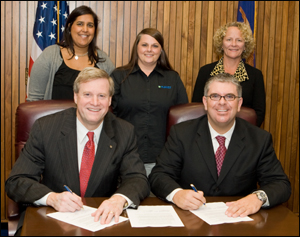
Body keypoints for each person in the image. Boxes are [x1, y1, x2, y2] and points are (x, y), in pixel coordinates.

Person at [6, 67, 150, 234]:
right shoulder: (45, 128)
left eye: (102, 96)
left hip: (100, 223)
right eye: (87, 94)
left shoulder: (124, 132)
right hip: (51, 220)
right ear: (75, 97)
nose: (95, 102)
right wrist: (52, 198)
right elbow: (16, 181)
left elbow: (137, 178)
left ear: (110, 100)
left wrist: (119, 200)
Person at [149, 73, 291, 217]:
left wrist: (258, 198)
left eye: (230, 96)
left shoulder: (259, 139)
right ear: (205, 102)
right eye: (215, 96)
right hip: (191, 219)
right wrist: (177, 194)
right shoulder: (182, 133)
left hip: (239, 221)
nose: (222, 102)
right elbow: (159, 175)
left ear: (239, 103)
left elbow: (280, 184)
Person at [110, 28, 188, 176]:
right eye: (144, 45)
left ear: (161, 50)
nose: (149, 50)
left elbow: (182, 123)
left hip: (163, 160)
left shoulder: (172, 79)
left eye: (155, 45)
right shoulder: (119, 76)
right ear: (136, 48)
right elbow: (109, 118)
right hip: (125, 158)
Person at [27, 5, 115, 101]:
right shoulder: (50, 55)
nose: (85, 29)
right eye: (80, 24)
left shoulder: (104, 62)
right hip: (55, 116)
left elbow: (113, 100)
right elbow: (34, 100)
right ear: (69, 26)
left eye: (90, 25)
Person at [192, 22, 266, 127]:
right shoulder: (205, 72)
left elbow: (259, 113)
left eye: (239, 40)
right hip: (209, 133)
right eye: (229, 39)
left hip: (243, 134)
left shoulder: (255, 75)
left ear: (245, 46)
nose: (234, 44)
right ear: (221, 44)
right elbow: (197, 108)